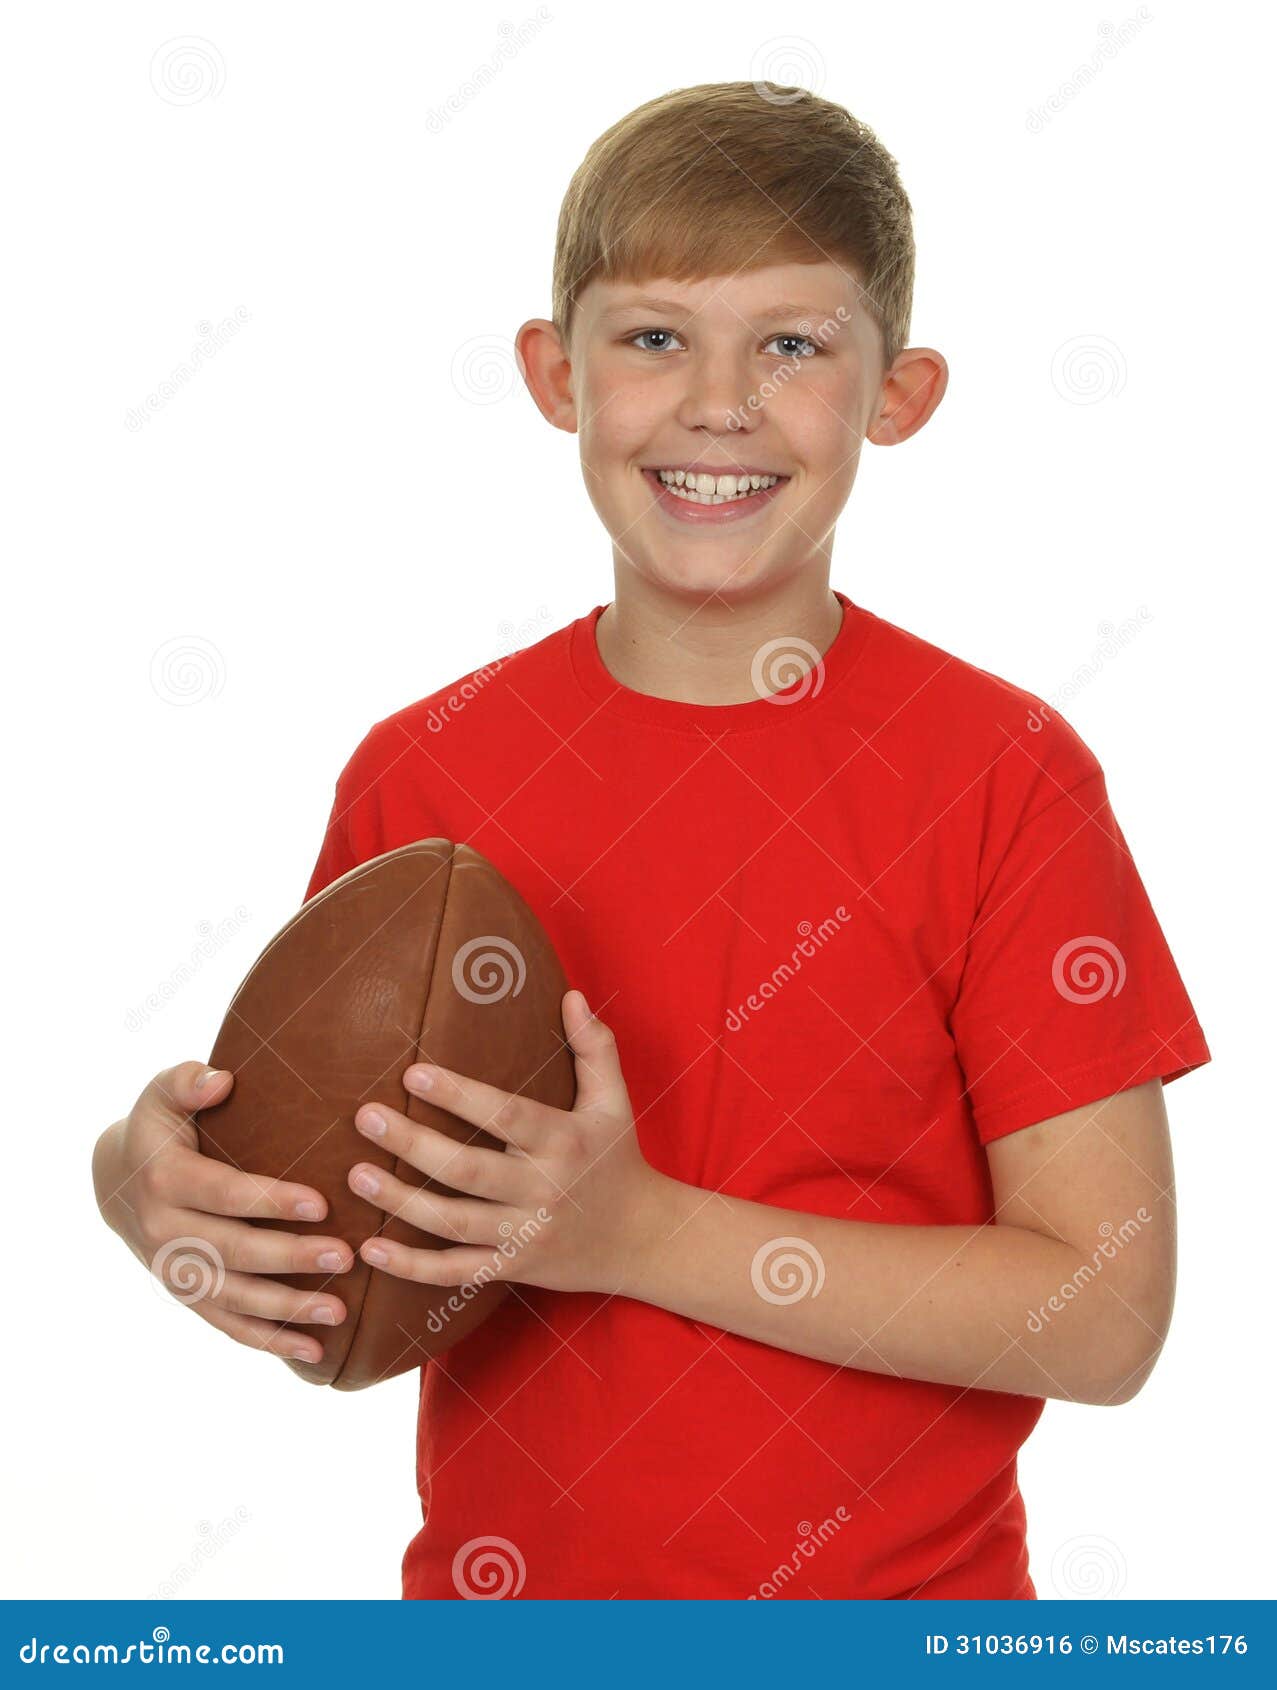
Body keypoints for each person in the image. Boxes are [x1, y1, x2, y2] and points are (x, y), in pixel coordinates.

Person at [93, 80, 1210, 1600]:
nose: (718, 403)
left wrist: (630, 1231)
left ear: (901, 393)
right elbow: (356, 1278)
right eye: (654, 335)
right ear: (556, 374)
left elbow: (1100, 1309)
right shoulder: (419, 774)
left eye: (794, 345)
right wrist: (159, 1190)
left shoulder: (1003, 774)